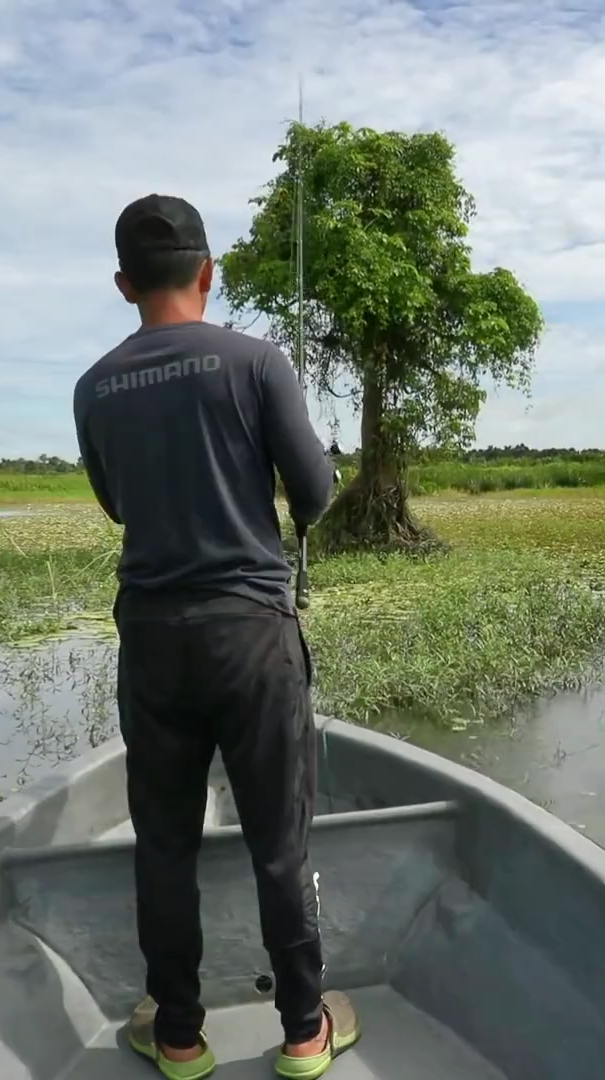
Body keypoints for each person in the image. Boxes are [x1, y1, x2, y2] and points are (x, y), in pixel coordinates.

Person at [73, 193, 358, 1080]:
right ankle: (306, 1032)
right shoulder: (259, 361)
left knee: (165, 842)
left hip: (153, 642)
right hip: (251, 638)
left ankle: (179, 1037)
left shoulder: (94, 386)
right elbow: (313, 494)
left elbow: (118, 503)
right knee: (281, 839)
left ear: (124, 284)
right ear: (208, 272)